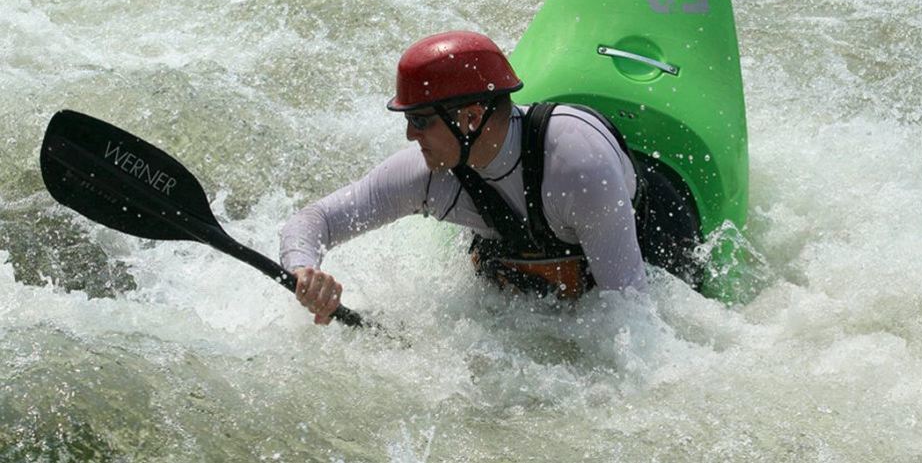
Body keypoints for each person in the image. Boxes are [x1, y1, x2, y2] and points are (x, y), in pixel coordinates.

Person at [280, 31, 700, 324]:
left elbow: (631, 318)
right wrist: (304, 272)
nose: (409, 135)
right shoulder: (428, 171)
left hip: (654, 235)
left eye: (420, 120)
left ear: (471, 117)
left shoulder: (578, 167)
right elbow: (317, 220)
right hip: (544, 248)